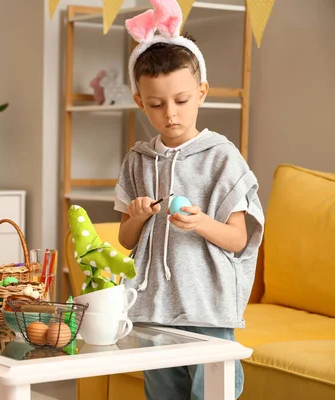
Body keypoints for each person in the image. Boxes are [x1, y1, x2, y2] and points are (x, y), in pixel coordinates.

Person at [113, 1, 264, 399]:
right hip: (153, 309)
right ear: (139, 101)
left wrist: (199, 223)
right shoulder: (139, 160)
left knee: (211, 394)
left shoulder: (223, 158)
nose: (170, 114)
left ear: (201, 92)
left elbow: (238, 241)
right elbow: (127, 240)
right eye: (157, 104)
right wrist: (137, 216)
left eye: (181, 100)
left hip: (206, 307)